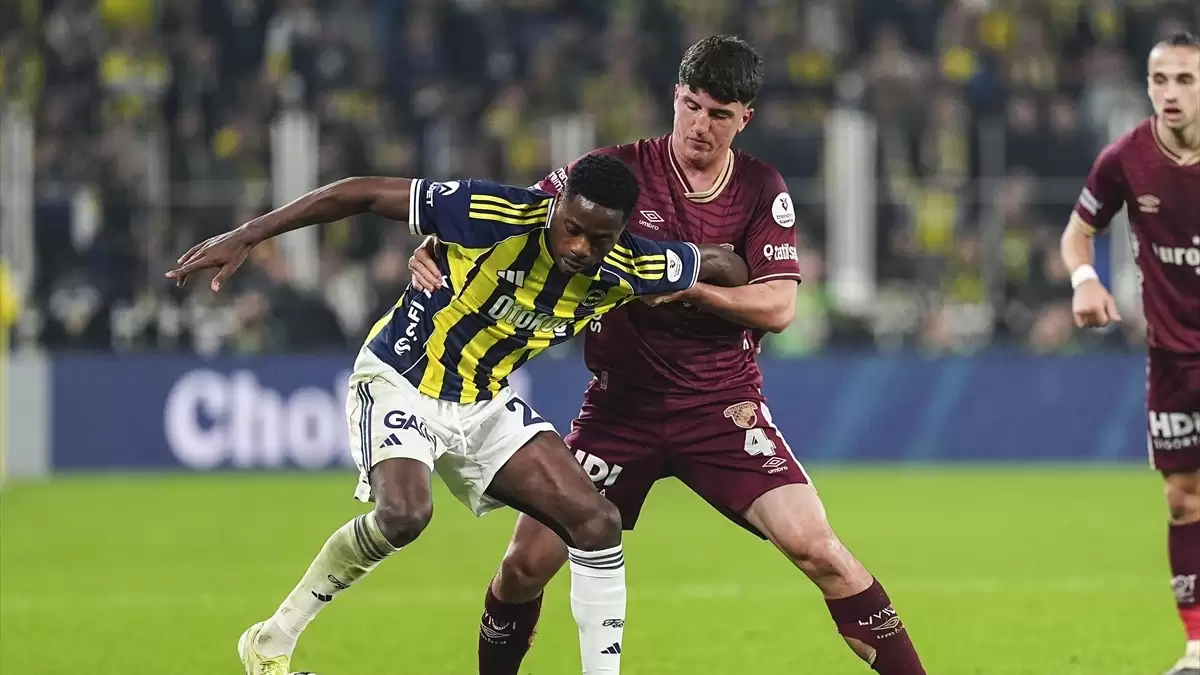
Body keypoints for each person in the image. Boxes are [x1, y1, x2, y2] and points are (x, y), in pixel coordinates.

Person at [410, 35, 927, 675]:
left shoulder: (761, 188)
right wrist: (439, 242)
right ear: (675, 97)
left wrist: (689, 288)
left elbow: (778, 306)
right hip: (619, 410)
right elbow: (520, 217)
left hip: (721, 407)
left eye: (718, 114)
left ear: (744, 119)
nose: (700, 126)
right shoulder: (616, 171)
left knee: (818, 548)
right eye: (691, 106)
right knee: (524, 565)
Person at [165, 153, 750, 675]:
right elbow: (360, 193)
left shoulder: (634, 265)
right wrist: (248, 235)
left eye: (599, 239)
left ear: (621, 233)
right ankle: (271, 641)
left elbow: (725, 264)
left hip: (483, 400)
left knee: (597, 523)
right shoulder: (497, 213)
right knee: (405, 515)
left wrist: (711, 292)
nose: (580, 248)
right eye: (572, 228)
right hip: (403, 378)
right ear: (559, 205)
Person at [1060, 32, 1200, 675]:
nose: (1170, 92)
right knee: (1182, 500)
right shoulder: (1126, 159)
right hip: (1172, 360)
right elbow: (1078, 232)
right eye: (1160, 79)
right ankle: (1196, 647)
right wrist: (1085, 279)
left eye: (1185, 80)